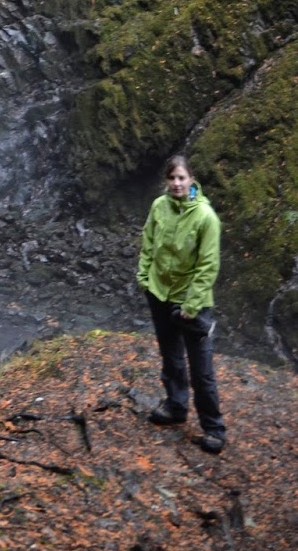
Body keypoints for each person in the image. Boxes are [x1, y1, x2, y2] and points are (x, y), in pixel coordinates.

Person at [137, 153, 227, 453]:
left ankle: (213, 429)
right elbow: (148, 240)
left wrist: (190, 305)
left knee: (201, 369)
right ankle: (176, 407)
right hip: (160, 294)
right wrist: (144, 275)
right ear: (167, 180)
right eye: (172, 178)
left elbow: (208, 266)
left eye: (181, 178)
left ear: (191, 180)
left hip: (192, 303)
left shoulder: (205, 217)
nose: (176, 183)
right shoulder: (159, 206)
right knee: (171, 357)